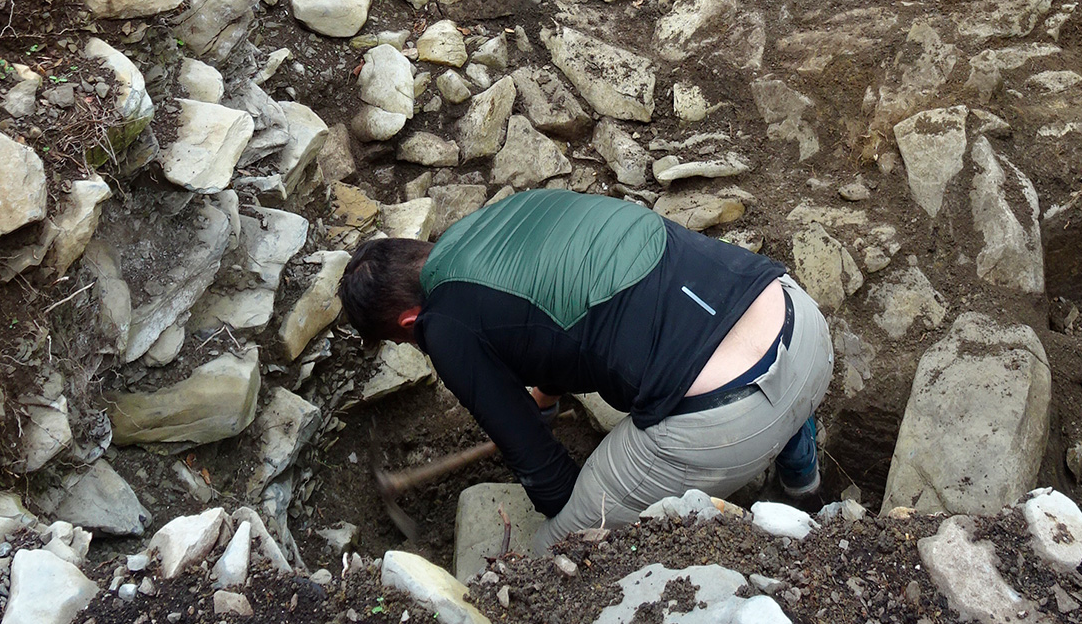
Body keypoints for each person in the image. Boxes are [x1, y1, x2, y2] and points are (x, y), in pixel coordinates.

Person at [339, 189, 834, 554]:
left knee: (556, 553)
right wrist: (546, 397)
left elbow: (545, 473)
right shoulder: (494, 224)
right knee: (732, 356)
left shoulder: (442, 325)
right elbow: (561, 321)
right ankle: (804, 489)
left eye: (404, 338)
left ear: (407, 321)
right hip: (801, 326)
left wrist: (571, 516)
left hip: (730, 419)